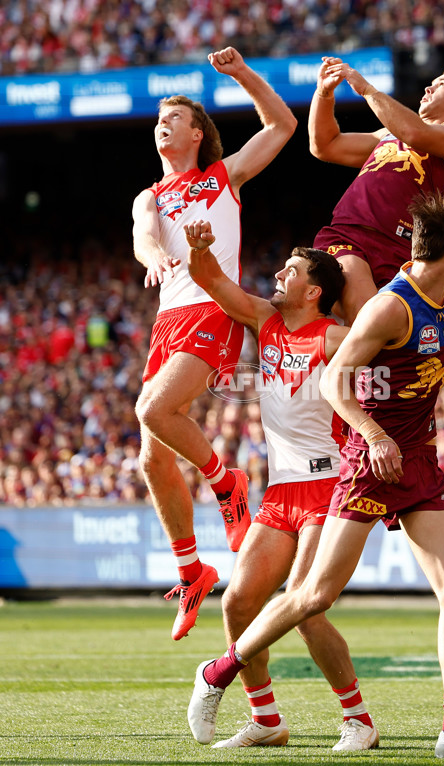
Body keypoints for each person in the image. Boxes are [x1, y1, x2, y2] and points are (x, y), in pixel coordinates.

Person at [187, 189, 444, 759]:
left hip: (416, 458)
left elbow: (421, 350)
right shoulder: (388, 306)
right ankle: (219, 671)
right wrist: (372, 435)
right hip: (371, 461)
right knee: (314, 595)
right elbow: (333, 380)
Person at [183, 218, 378, 751]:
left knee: (307, 606)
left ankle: (358, 720)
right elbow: (212, 283)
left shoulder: (335, 336)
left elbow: (392, 346)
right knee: (238, 604)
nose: (278, 274)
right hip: (281, 492)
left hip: (329, 487)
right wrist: (200, 248)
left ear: (313, 291)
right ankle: (266, 720)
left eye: (290, 271)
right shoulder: (265, 319)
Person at [132, 47, 297, 642]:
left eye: (173, 118)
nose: (162, 125)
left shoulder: (222, 178)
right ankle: (191, 570)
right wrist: (153, 258)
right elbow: (144, 236)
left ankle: (227, 481)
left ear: (198, 132)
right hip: (168, 316)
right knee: (150, 457)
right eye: (157, 120)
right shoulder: (149, 194)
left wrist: (244, 75)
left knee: (153, 409)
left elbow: (282, 126)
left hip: (214, 306)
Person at [309, 57, 444, 324]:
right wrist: (324, 93)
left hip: (400, 247)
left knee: (390, 336)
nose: (428, 89)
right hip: (351, 233)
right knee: (366, 317)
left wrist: (367, 89)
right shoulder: (388, 133)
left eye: (440, 85)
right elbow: (324, 145)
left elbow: (414, 133)